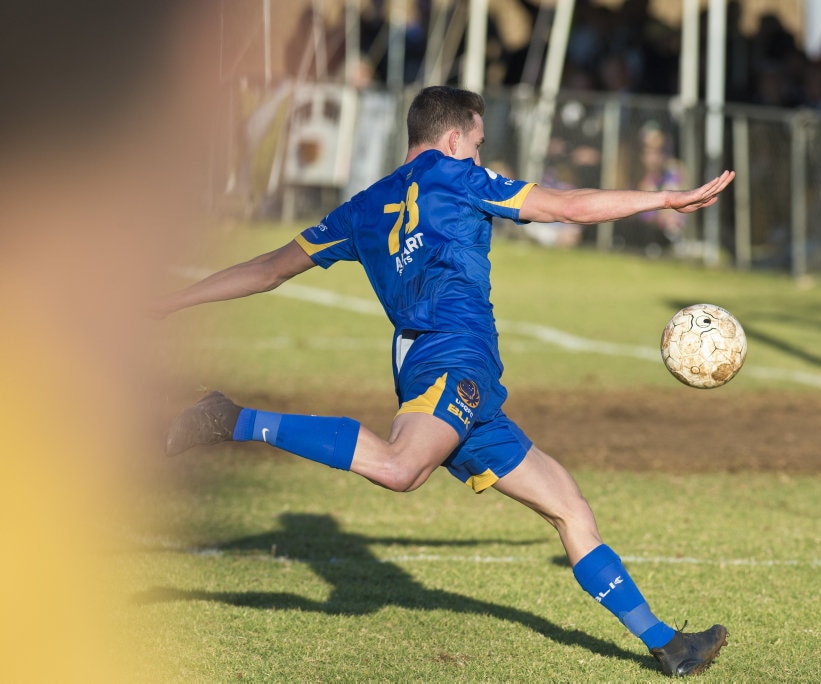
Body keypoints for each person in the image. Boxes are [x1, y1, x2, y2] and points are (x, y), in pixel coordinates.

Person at [154, 86, 735, 677]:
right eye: (478, 146)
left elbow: (268, 268)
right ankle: (233, 419)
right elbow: (567, 206)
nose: (480, 160)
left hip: (453, 372)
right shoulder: (458, 177)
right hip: (451, 358)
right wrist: (662, 197)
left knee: (568, 507)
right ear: (453, 138)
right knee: (401, 468)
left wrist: (173, 301)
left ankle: (668, 644)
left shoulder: (362, 207)